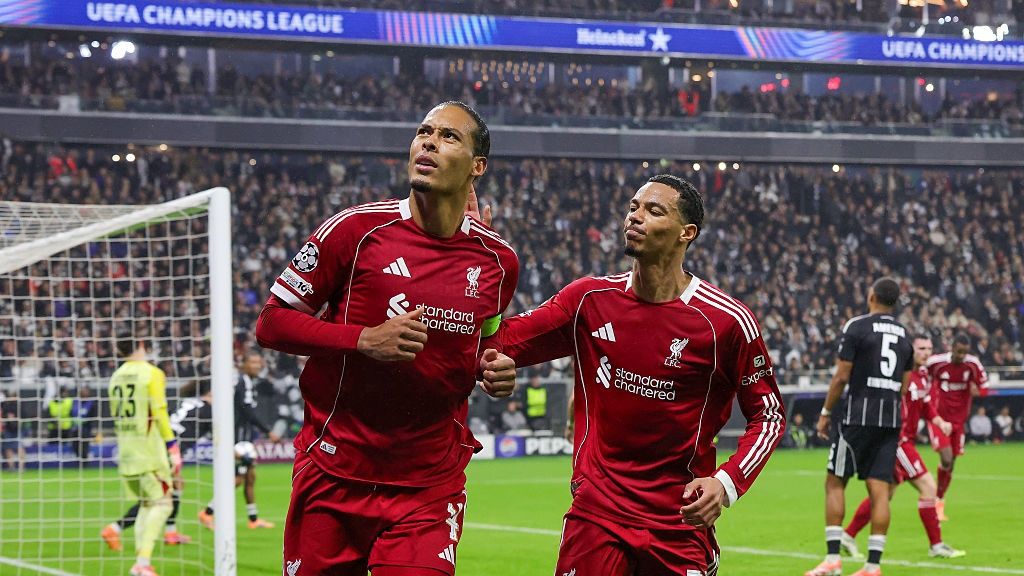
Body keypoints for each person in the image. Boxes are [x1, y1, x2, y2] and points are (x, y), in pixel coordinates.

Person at [254, 100, 520, 575]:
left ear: (477, 167)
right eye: (424, 132)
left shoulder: (498, 261)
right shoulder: (355, 231)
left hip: (429, 484)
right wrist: (361, 339)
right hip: (335, 473)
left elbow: (488, 336)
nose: (429, 142)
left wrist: (493, 364)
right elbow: (271, 323)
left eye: (449, 136)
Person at [489, 174, 785, 576]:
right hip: (597, 514)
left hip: (678, 520)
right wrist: (480, 265)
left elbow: (769, 414)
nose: (636, 216)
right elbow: (501, 341)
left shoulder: (725, 322)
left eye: (653, 210)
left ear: (687, 233)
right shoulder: (589, 300)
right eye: (633, 207)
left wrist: (727, 483)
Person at [806, 277, 914, 576]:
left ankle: (832, 559)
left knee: (835, 482)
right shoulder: (905, 334)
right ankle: (873, 565)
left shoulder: (857, 326)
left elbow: (842, 375)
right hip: (889, 419)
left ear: (871, 297)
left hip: (857, 417)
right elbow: (905, 386)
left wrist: (826, 412)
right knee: (879, 490)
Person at [841, 334, 965, 560]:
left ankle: (848, 536)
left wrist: (940, 422)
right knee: (928, 487)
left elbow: (926, 406)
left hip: (904, 440)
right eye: (921, 349)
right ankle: (936, 545)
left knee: (885, 494)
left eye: (929, 349)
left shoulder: (923, 375)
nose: (926, 353)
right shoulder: (899, 375)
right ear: (911, 351)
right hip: (898, 441)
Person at [103, 381, 208, 550]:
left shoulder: (187, 402)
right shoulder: (208, 409)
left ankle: (171, 533)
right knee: (155, 499)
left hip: (158, 443)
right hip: (168, 450)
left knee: (175, 486)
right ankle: (114, 529)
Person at [107, 338, 182, 576]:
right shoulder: (152, 373)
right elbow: (159, 411)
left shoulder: (116, 376)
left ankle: (141, 563)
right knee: (164, 505)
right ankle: (142, 563)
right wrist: (172, 446)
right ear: (141, 344)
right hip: (149, 453)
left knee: (147, 504)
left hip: (126, 452)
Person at [198, 352, 280, 530]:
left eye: (259, 362)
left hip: (243, 437)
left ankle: (253, 519)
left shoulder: (246, 382)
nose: (257, 366)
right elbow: (247, 411)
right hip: (239, 439)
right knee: (238, 479)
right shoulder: (244, 382)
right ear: (244, 364)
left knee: (249, 477)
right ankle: (207, 512)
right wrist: (268, 431)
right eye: (252, 362)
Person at [924, 333, 988, 521]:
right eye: (959, 351)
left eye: (964, 352)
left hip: (959, 422)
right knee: (946, 458)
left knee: (950, 464)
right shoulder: (936, 363)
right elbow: (920, 375)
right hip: (938, 419)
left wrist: (979, 391)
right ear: (952, 348)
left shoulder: (973, 364)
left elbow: (985, 387)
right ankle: (932, 496)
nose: (961, 356)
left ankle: (939, 502)